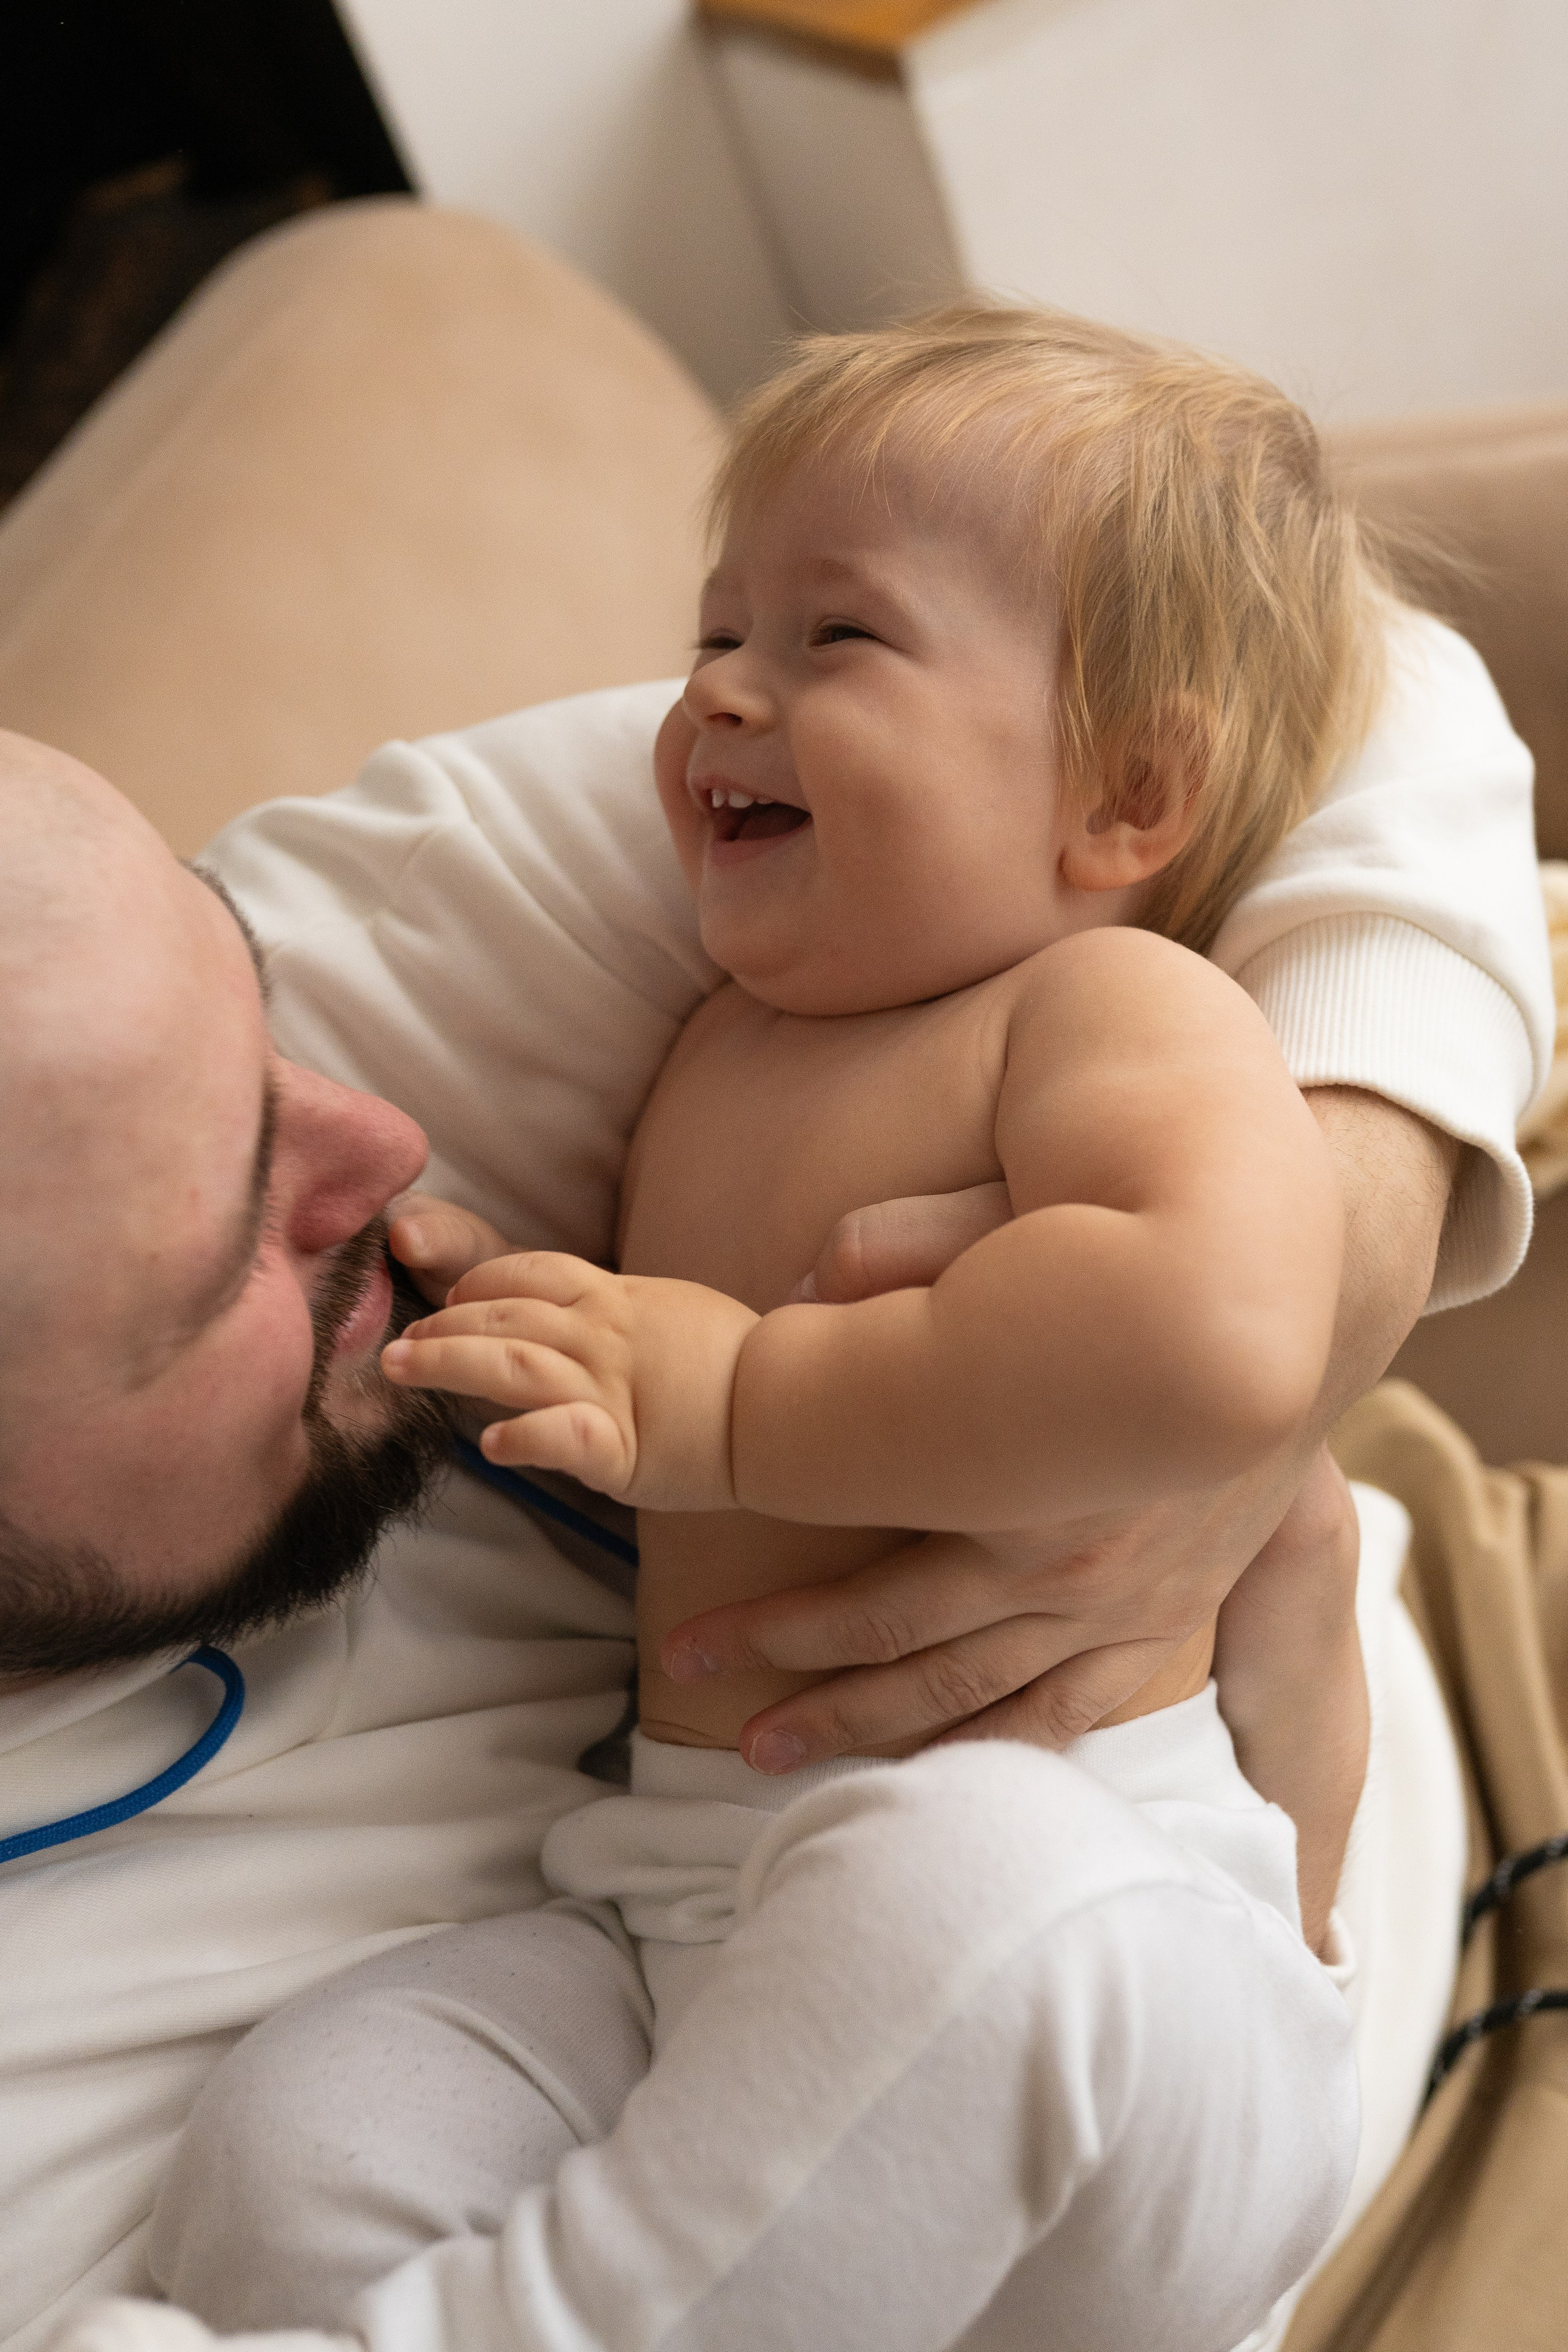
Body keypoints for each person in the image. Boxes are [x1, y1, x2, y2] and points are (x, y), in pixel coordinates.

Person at [0, 347, 1548, 2352]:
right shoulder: (781, 955)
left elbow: (1358, 677)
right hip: (676, 1946)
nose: (383, 1142)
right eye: (244, 1244)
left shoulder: (1034, 971)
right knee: (301, 2135)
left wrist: (740, 1396)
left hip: (1146, 1954)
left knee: (977, 1898)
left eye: (814, 636)